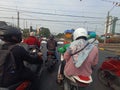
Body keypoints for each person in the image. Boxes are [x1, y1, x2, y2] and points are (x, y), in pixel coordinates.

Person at [0, 25, 43, 89]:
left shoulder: (1, 48)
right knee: (34, 77)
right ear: (14, 37)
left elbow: (25, 44)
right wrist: (37, 56)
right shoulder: (18, 49)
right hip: (13, 77)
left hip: (2, 76)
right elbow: (31, 60)